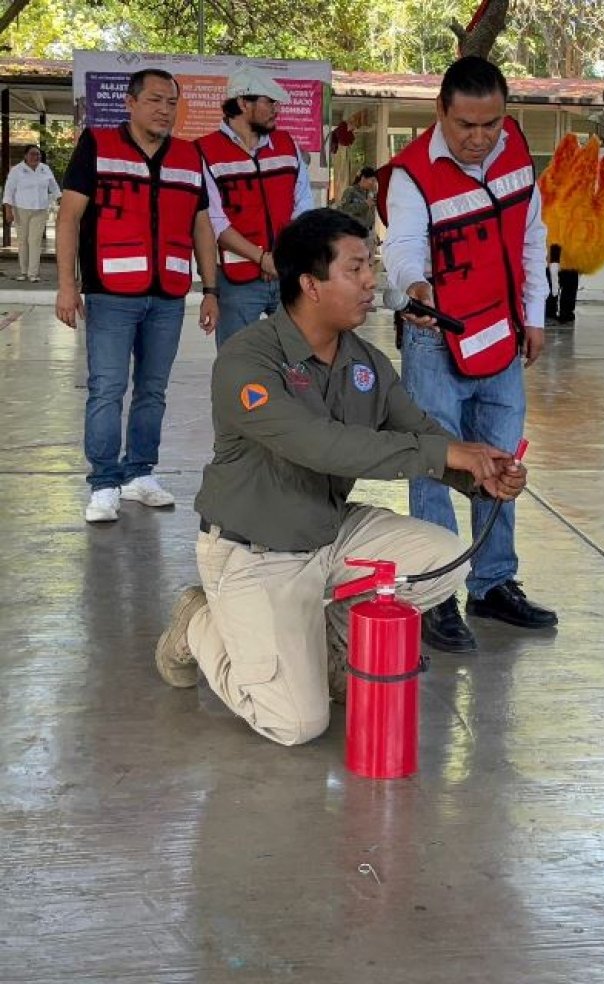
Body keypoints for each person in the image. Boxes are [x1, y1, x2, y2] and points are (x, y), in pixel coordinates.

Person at [154, 208, 526, 746]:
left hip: (329, 535)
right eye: (356, 269)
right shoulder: (247, 361)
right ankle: (198, 621)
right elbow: (319, 446)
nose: (373, 281)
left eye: (371, 265)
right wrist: (447, 452)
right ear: (310, 284)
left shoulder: (367, 362)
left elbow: (419, 432)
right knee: (296, 724)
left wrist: (479, 473)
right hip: (255, 550)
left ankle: (328, 650)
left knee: (443, 560)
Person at [378, 56, 558, 654]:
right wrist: (417, 290)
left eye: (492, 125)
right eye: (466, 127)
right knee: (438, 463)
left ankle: (492, 583)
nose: (480, 140)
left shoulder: (513, 154)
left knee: (502, 465)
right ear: (440, 113)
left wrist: (534, 314)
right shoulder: (410, 175)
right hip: (437, 339)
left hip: (502, 335)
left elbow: (532, 237)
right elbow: (402, 248)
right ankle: (436, 594)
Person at [55, 68, 219, 524]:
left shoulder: (189, 156)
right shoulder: (97, 145)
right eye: (155, 100)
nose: (165, 109)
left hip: (168, 295)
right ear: (130, 103)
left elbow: (202, 225)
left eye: (172, 102)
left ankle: (139, 473)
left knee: (153, 390)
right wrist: (67, 285)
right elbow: (69, 217)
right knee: (106, 389)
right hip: (110, 293)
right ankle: (105, 482)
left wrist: (211, 289)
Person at [197, 65, 314, 349]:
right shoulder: (205, 151)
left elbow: (304, 206)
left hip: (289, 276)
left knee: (299, 361)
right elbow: (214, 221)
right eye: (268, 102)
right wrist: (262, 258)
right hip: (236, 283)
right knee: (239, 364)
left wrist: (281, 257)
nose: (276, 110)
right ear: (242, 102)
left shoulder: (288, 146)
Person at [3, 144, 60, 282]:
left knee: (35, 241)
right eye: (33, 154)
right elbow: (9, 191)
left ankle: (32, 273)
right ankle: (23, 272)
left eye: (38, 154)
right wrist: (8, 211)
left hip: (40, 209)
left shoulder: (45, 169)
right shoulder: (17, 170)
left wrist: (62, 200)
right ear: (26, 156)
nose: (36, 157)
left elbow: (54, 187)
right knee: (23, 242)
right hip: (21, 209)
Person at [337, 166, 378, 257]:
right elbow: (345, 209)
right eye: (371, 180)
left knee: (368, 262)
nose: (373, 183)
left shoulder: (370, 193)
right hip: (355, 233)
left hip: (369, 233)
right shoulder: (350, 191)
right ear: (363, 178)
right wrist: (364, 204)